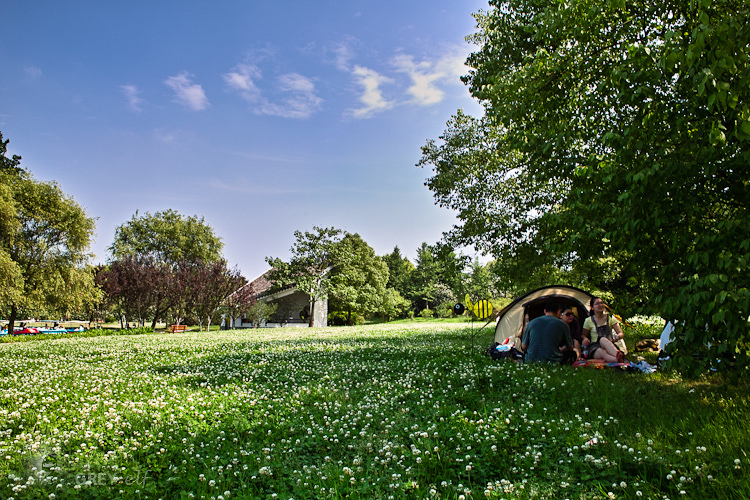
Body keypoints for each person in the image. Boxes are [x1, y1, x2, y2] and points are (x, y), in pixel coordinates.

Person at [581, 296, 626, 363]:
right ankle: (618, 357)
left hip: (609, 345)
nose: (600, 305)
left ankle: (617, 358)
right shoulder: (588, 320)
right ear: (592, 308)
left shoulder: (610, 318)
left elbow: (620, 333)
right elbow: (583, 335)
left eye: (602, 303)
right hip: (595, 347)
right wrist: (584, 338)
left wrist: (618, 337)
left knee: (603, 340)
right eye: (597, 304)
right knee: (601, 351)